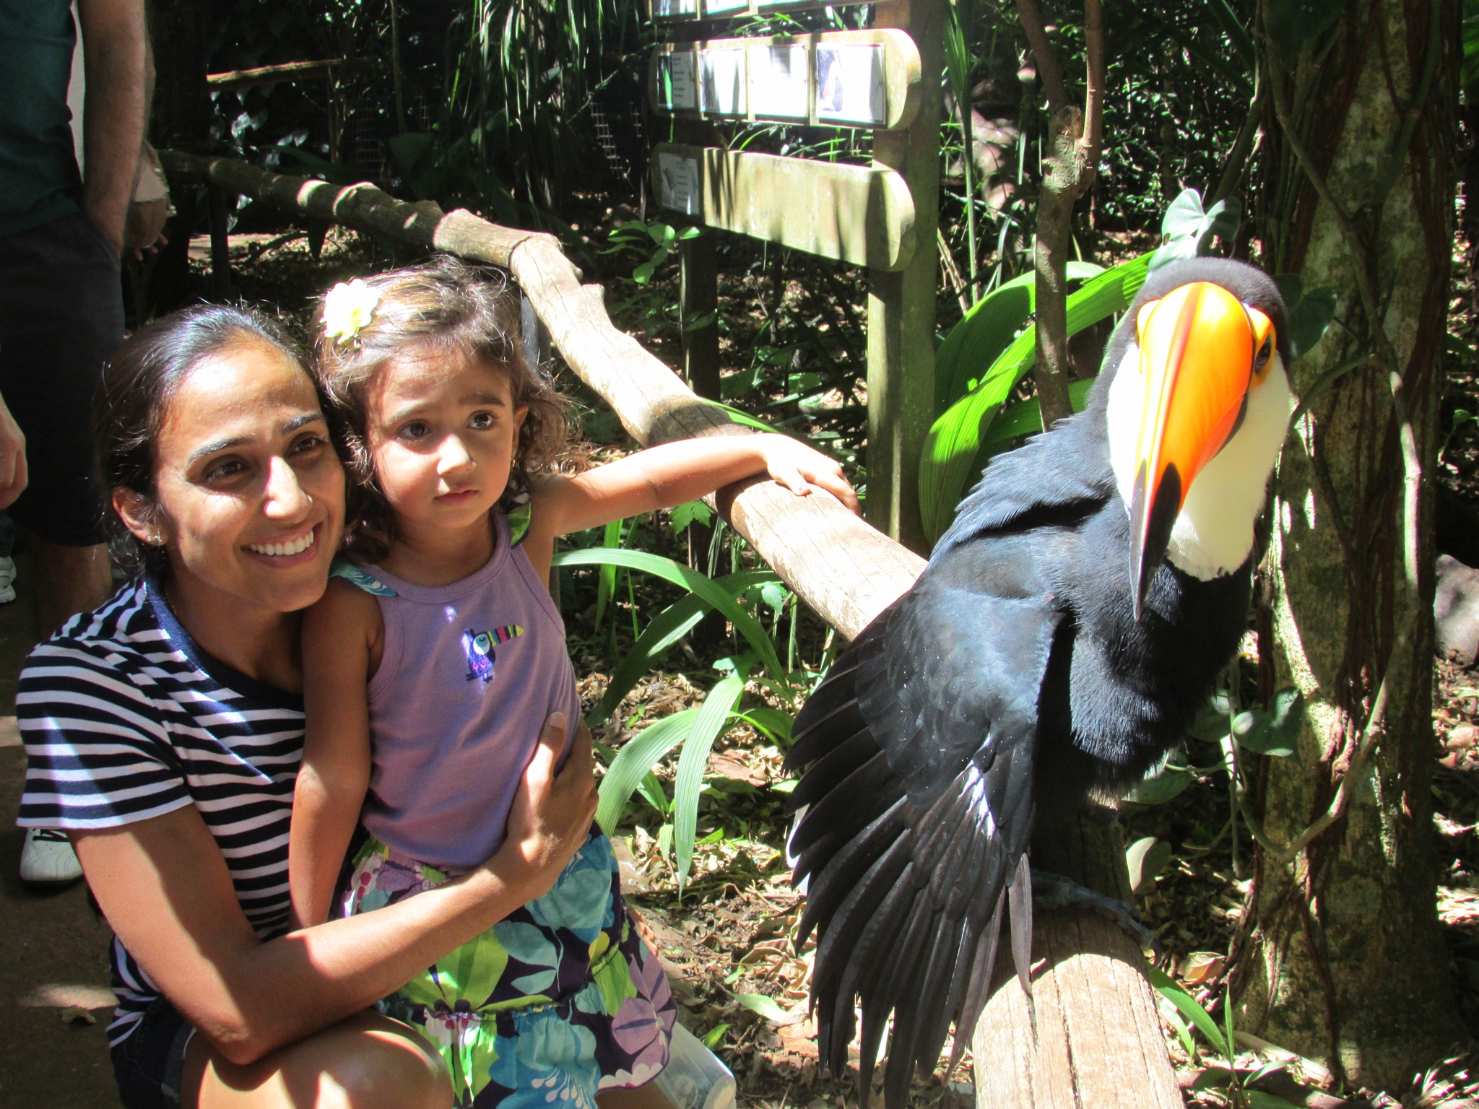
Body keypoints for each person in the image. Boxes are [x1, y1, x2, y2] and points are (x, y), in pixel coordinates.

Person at [289, 257, 859, 1107]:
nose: (458, 456)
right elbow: (332, 776)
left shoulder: (526, 523)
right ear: (358, 446)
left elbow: (657, 478)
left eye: (482, 417)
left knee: (618, 1050)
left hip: (563, 864)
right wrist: (314, 946)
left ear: (520, 419)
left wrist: (759, 447)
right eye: (416, 429)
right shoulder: (356, 603)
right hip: (440, 904)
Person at [16, 303, 599, 1108]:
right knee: (372, 1089)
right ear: (140, 509)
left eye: (304, 447)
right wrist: (510, 878)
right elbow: (238, 1010)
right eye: (228, 469)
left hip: (451, 968)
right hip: (241, 1034)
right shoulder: (94, 683)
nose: (290, 502)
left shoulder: (395, 591)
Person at [4, 0, 150, 885]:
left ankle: (74, 778)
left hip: (43, 229)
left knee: (72, 507)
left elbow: (116, 29)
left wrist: (97, 222)